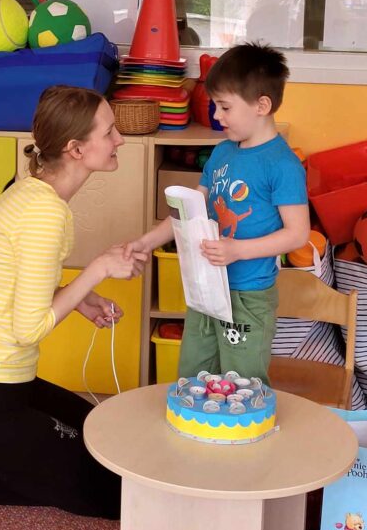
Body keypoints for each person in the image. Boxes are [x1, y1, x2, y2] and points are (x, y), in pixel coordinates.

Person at [0, 86, 146, 524]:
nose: (120, 139)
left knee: (97, 433)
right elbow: (28, 329)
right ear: (75, 149)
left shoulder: (31, 191)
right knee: (117, 494)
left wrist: (81, 299)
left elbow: (18, 282)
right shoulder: (44, 214)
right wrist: (98, 269)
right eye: (109, 132)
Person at [128, 42, 309, 384]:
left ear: (262, 105)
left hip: (248, 295)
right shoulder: (223, 152)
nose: (216, 116)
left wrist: (237, 250)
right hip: (206, 287)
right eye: (216, 106)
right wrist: (145, 242)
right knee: (193, 378)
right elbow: (189, 212)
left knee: (241, 385)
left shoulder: (282, 165)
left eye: (225, 107)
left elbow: (297, 234)